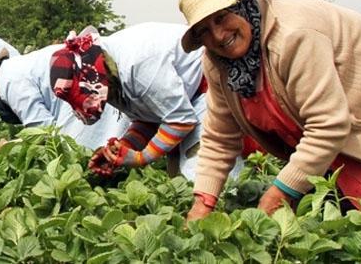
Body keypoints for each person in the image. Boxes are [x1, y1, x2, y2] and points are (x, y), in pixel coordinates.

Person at [179, 0, 361, 220]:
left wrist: (279, 192)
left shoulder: (293, 35)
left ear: (244, 5)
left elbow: (328, 126)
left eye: (222, 17)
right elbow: (219, 138)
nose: (218, 34)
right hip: (334, 150)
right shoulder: (218, 62)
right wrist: (203, 202)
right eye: (204, 30)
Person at [49, 22, 243, 180]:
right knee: (178, 180)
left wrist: (141, 158)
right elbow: (148, 118)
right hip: (185, 102)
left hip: (211, 84)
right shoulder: (108, 73)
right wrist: (124, 148)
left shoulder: (139, 65)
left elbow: (180, 120)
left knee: (203, 172)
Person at [0, 45, 130, 149]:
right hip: (98, 88)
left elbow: (43, 129)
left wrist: (9, 146)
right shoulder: (18, 67)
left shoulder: (8, 80)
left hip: (84, 100)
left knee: (81, 156)